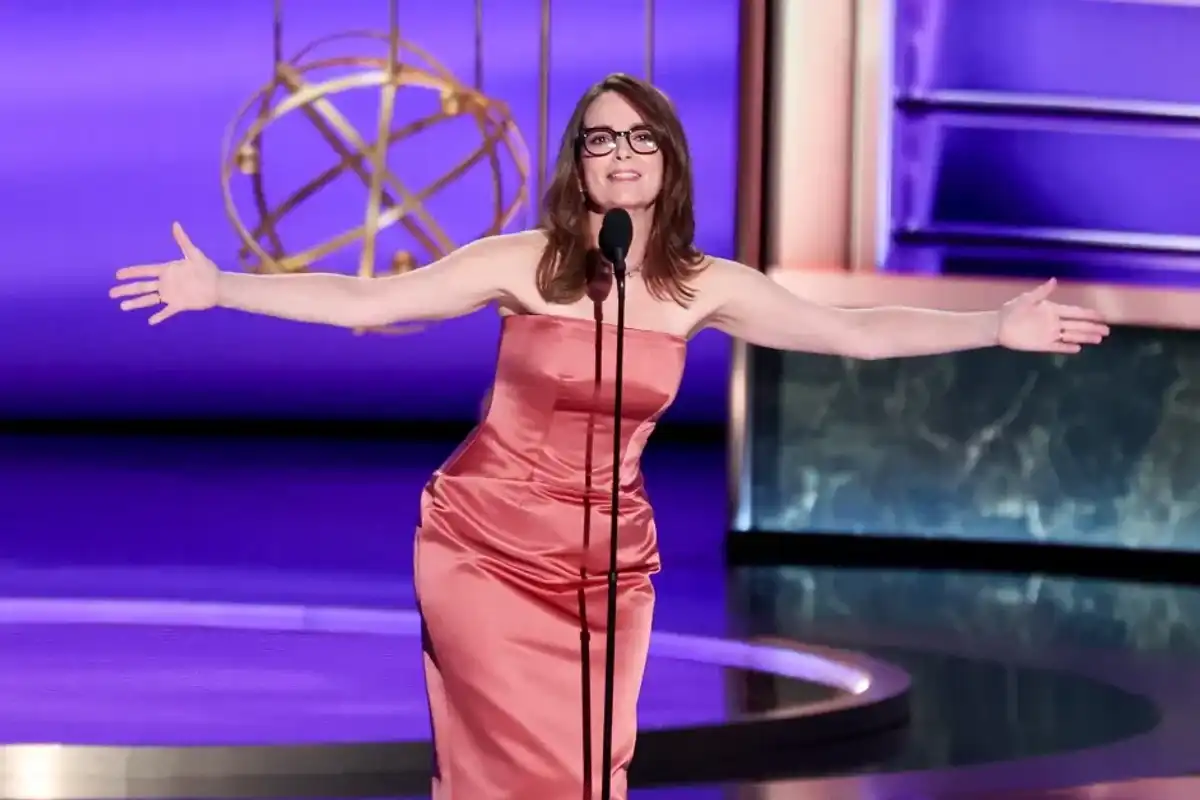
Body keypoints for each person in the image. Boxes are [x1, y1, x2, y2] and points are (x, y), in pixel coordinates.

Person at [109, 73, 1109, 798]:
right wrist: (222, 288)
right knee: (516, 768)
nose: (621, 153)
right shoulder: (525, 260)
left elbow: (849, 332)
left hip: (608, 566)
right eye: (599, 138)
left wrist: (992, 324)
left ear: (668, 160)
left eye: (641, 138)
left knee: (593, 768)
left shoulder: (702, 284)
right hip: (484, 548)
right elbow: (370, 301)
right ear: (578, 163)